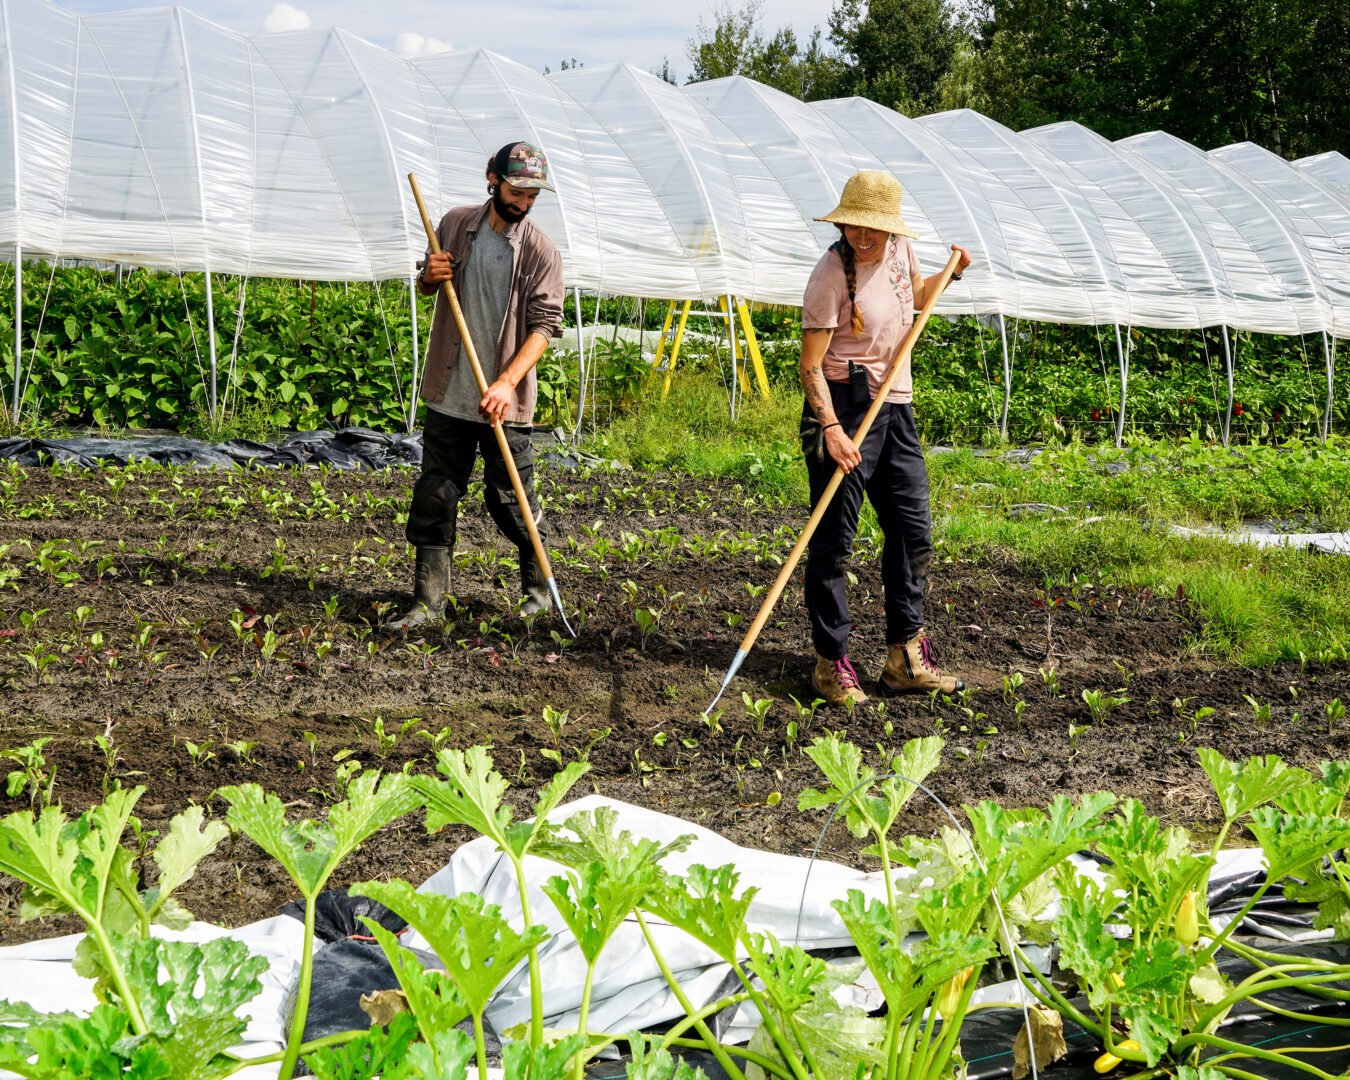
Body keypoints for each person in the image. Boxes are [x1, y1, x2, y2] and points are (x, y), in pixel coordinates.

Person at [799, 170, 972, 707]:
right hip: (843, 406)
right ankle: (831, 665)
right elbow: (808, 366)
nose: (863, 237)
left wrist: (949, 273)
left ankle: (905, 659)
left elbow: (912, 298)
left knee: (912, 532)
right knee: (834, 544)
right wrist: (830, 429)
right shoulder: (829, 274)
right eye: (854, 226)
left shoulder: (899, 251)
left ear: (891, 227)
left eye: (873, 228)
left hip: (896, 407)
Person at [389, 141, 564, 630]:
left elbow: (545, 326)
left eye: (532, 196)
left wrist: (507, 383)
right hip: (451, 394)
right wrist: (430, 275)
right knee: (436, 496)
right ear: (492, 178)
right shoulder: (453, 225)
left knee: (511, 501)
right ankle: (427, 605)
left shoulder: (541, 251)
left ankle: (539, 595)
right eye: (516, 191)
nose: (524, 203)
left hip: (504, 405)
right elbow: (430, 282)